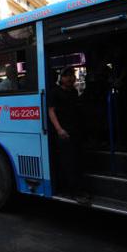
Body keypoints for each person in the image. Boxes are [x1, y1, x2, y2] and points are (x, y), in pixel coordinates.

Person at [48, 67, 89, 204]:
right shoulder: (55, 93)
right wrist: (59, 129)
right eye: (68, 76)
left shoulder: (74, 92)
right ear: (62, 78)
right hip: (64, 133)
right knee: (69, 163)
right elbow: (51, 111)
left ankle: (79, 189)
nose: (71, 78)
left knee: (78, 161)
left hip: (76, 132)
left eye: (72, 75)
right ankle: (74, 192)